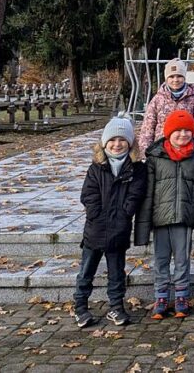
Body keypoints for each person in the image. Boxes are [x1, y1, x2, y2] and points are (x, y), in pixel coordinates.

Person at [135, 110, 194, 320]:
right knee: (160, 260)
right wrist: (143, 223)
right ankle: (160, 297)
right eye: (178, 131)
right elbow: (147, 192)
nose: (183, 135)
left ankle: (181, 296)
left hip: (184, 218)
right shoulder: (155, 157)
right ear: (169, 133)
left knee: (182, 260)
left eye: (187, 130)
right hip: (160, 218)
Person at [73, 117, 147, 328]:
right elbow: (88, 194)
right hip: (95, 229)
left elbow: (135, 195)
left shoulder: (136, 169)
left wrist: (125, 214)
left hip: (119, 229)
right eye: (112, 140)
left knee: (116, 272)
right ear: (104, 143)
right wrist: (95, 214)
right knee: (87, 271)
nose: (117, 144)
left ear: (130, 143)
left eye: (122, 140)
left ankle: (116, 307)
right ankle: (80, 307)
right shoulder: (96, 168)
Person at [138, 59, 194, 153]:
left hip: (184, 148)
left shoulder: (192, 99)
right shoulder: (158, 99)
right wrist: (145, 152)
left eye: (179, 76)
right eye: (171, 76)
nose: (175, 80)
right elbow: (148, 127)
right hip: (161, 149)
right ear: (166, 78)